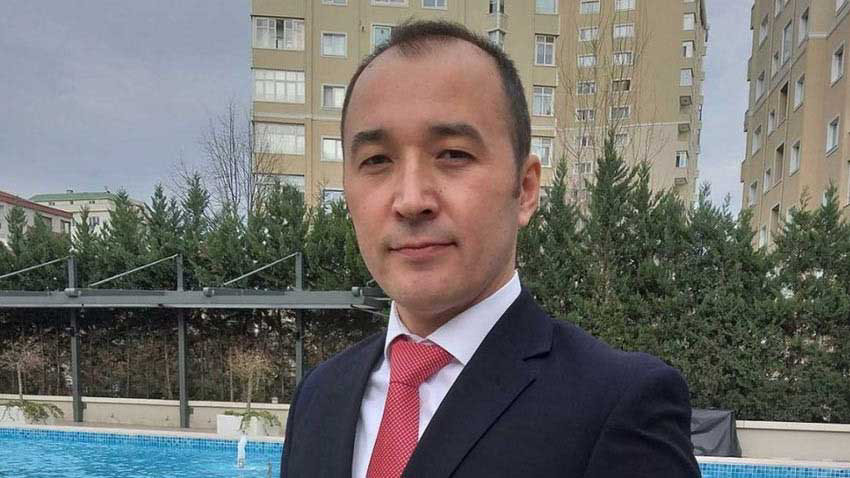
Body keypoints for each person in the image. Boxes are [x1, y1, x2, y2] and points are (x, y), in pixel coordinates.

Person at [281, 20, 701, 478]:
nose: (411, 200)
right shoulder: (319, 396)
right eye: (376, 160)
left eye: (453, 154)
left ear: (525, 189)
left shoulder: (618, 405)